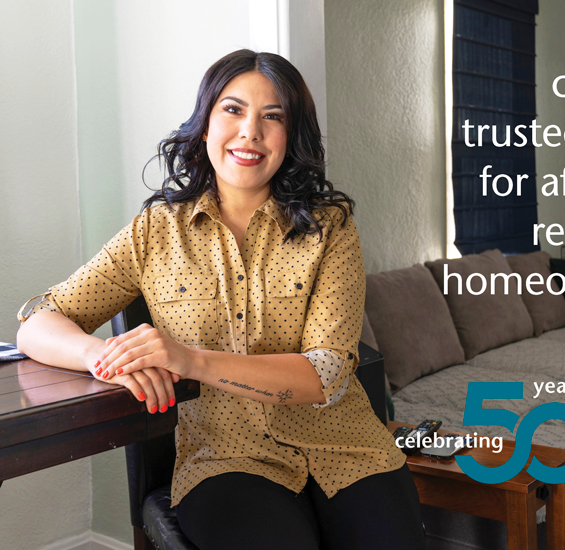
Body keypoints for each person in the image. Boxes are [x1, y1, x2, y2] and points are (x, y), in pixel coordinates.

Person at [16, 49, 424, 550]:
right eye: (233, 110)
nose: (250, 132)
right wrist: (106, 358)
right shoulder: (156, 232)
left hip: (349, 448)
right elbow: (37, 319)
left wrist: (189, 360)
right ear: (205, 125)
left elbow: (326, 373)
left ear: (289, 138)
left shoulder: (330, 229)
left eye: (272, 117)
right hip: (226, 459)